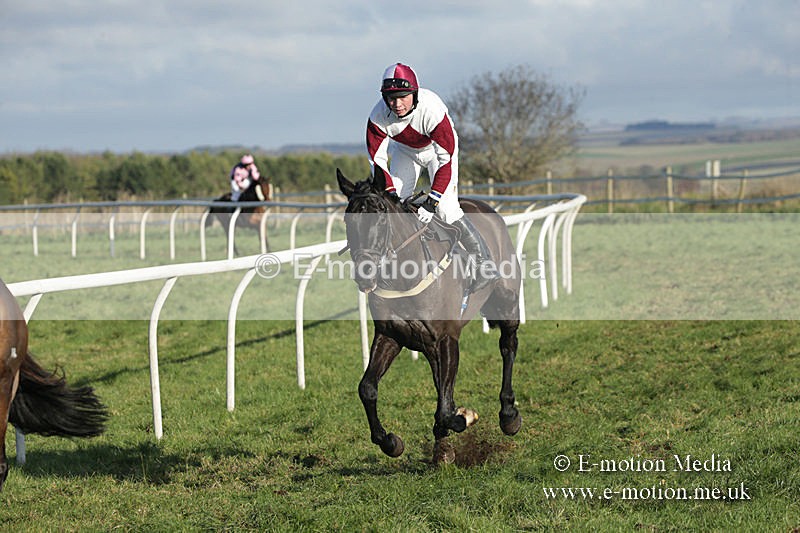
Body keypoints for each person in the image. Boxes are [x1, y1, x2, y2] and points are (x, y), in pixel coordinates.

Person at [365, 62, 499, 292]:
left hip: (439, 153)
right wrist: (390, 194)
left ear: (414, 93)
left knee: (446, 209)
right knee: (390, 206)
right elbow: (377, 163)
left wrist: (432, 200)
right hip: (404, 152)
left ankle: (484, 264)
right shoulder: (378, 116)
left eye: (402, 96)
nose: (396, 104)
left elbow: (446, 160)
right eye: (390, 98)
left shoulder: (432, 110)